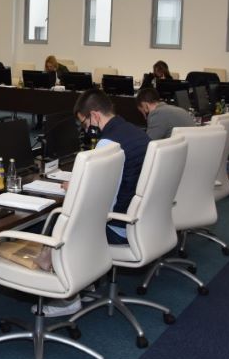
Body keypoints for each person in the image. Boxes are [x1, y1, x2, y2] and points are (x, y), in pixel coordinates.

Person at [39, 89, 150, 318]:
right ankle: (86, 281)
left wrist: (78, 186)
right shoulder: (136, 132)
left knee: (63, 223)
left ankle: (67, 299)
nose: (85, 129)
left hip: (119, 227)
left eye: (84, 123)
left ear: (95, 116)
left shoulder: (108, 143)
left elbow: (97, 200)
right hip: (143, 221)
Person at [34, 56, 70, 130]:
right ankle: (39, 123)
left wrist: (60, 84)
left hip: (62, 94)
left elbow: (69, 81)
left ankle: (57, 123)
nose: (49, 68)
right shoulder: (48, 71)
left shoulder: (63, 69)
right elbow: (47, 82)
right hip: (51, 92)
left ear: (54, 64)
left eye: (51, 66)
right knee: (40, 100)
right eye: (48, 66)